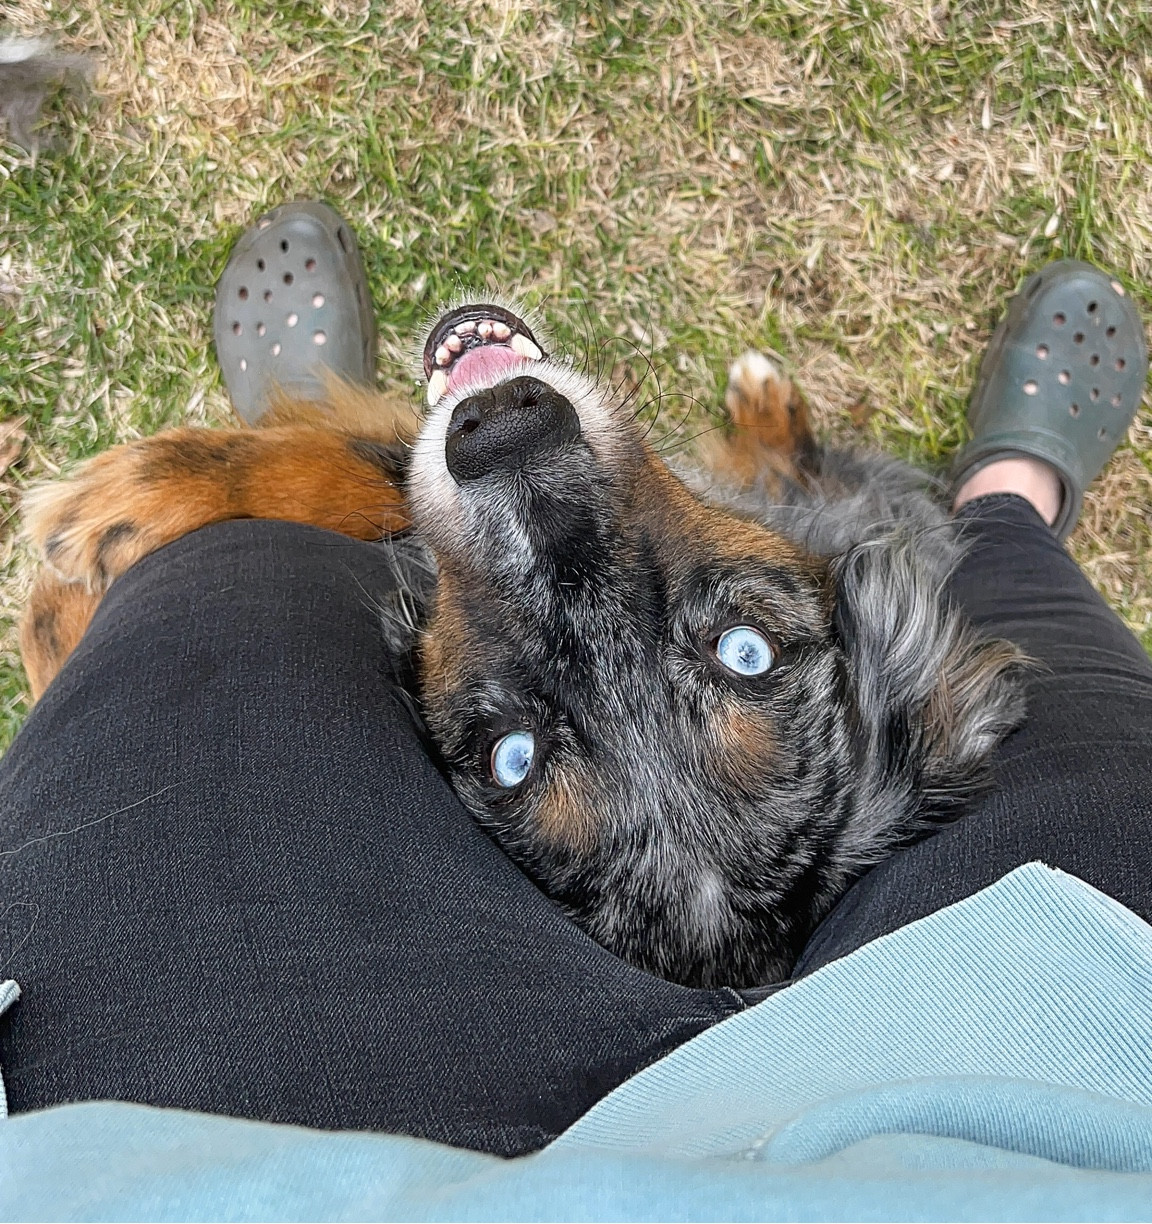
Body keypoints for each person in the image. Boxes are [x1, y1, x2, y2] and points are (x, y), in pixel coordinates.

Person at [1, 202, 1151, 1180]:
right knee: (1026, 630)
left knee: (242, 598)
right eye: (739, 651)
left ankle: (291, 433)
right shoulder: (884, 661)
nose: (520, 480)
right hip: (1087, 1080)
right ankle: (1011, 502)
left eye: (518, 752)